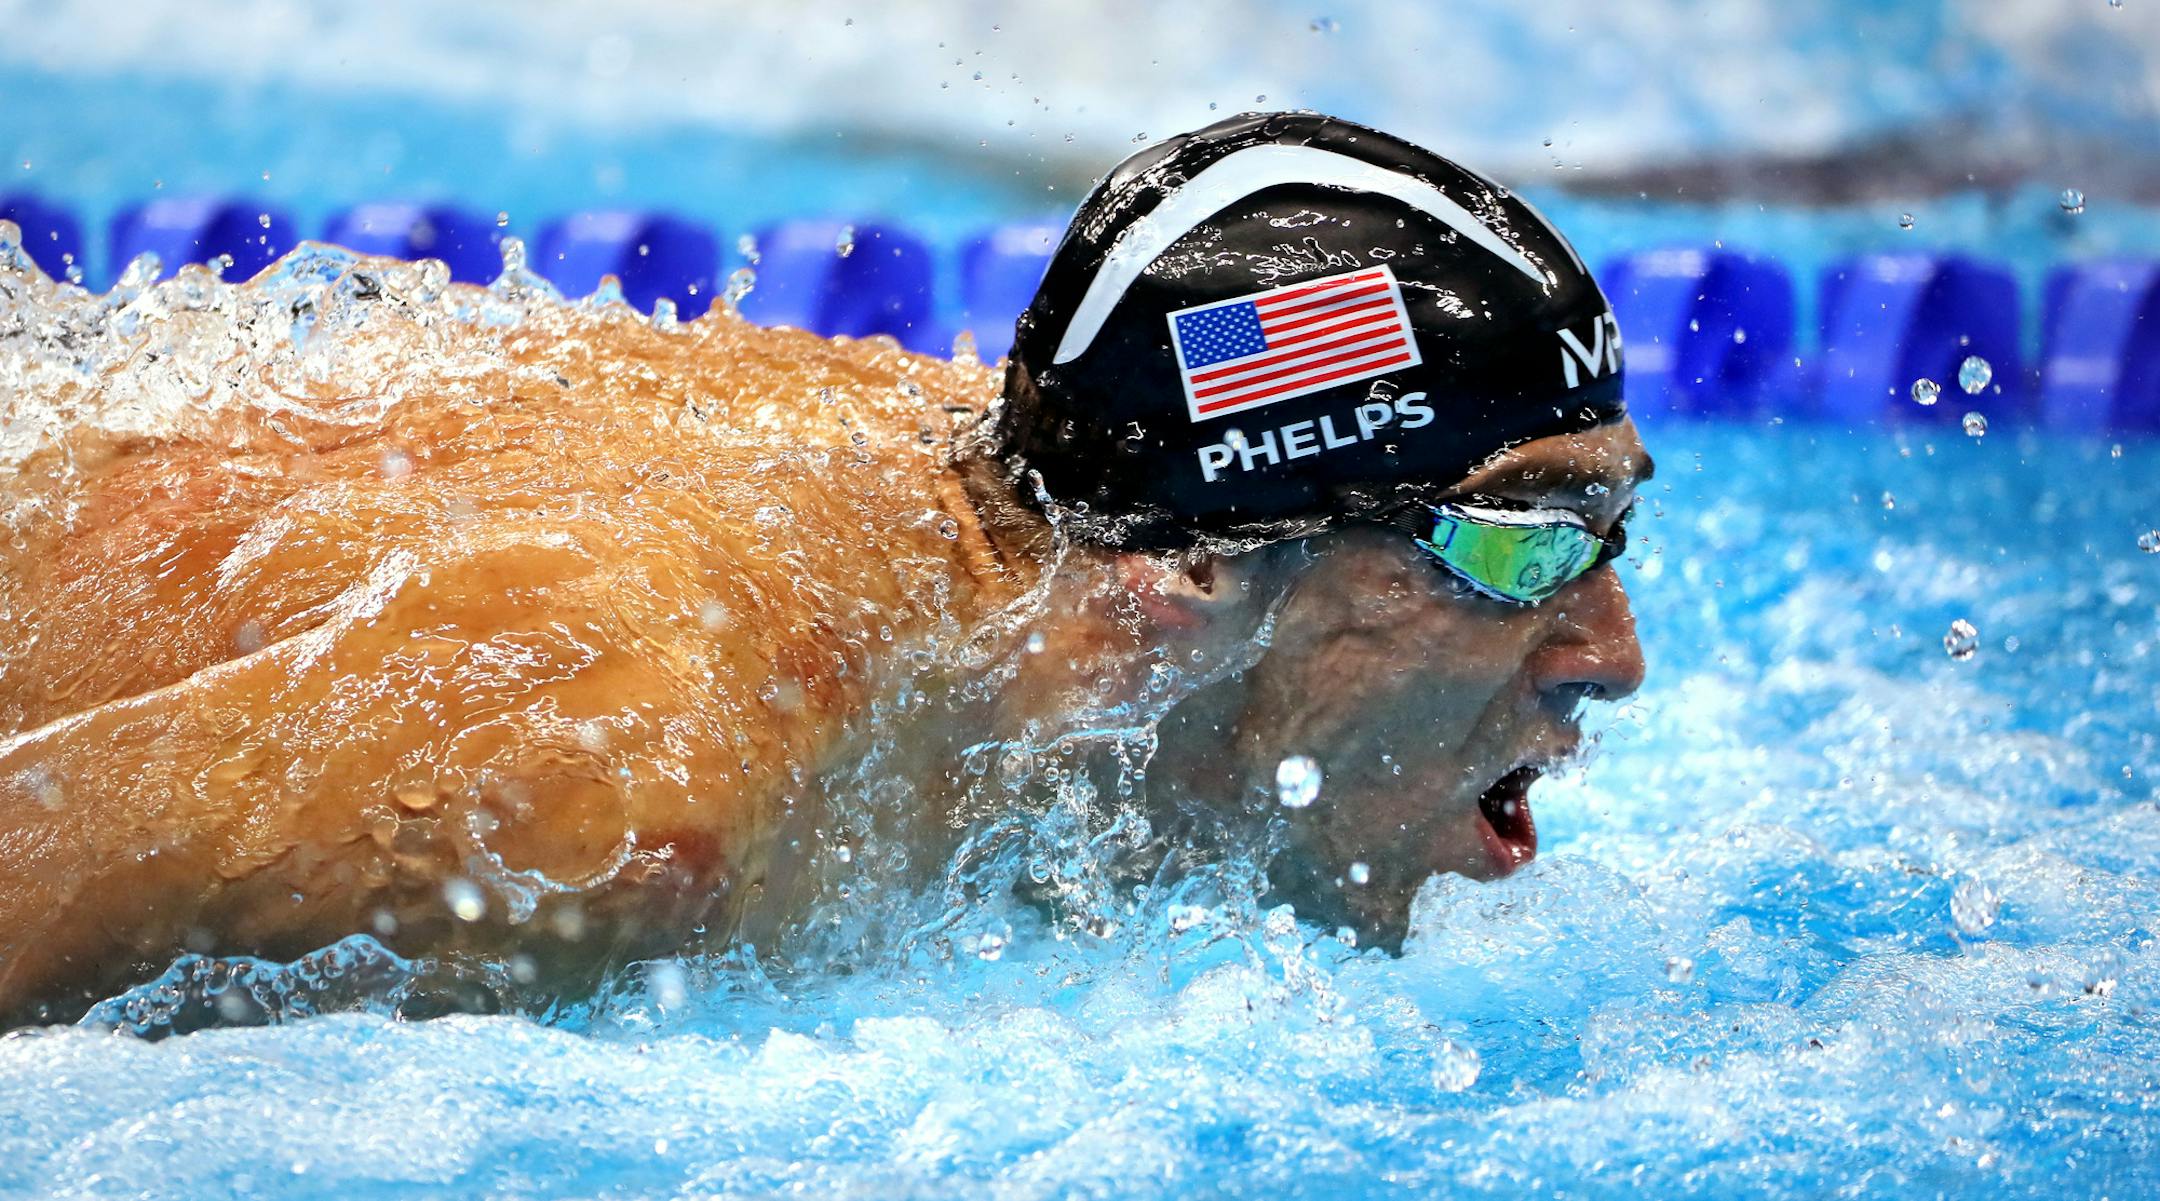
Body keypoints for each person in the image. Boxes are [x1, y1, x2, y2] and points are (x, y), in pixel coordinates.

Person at [0, 112, 1648, 1026]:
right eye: (1524, 542)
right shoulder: (605, 794)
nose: (1612, 653)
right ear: (1195, 574)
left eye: (1613, 531)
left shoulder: (1039, 508)